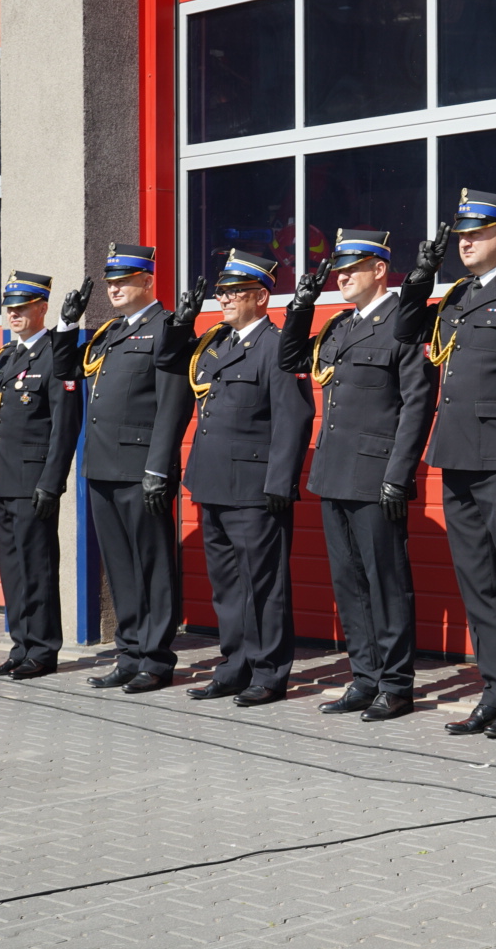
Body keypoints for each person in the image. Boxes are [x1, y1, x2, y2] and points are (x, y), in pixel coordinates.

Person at [393, 189, 496, 739]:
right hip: (457, 455)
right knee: (478, 583)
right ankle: (495, 687)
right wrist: (421, 277)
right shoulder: (460, 295)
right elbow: (405, 331)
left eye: (476, 234)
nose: (464, 243)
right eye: (461, 237)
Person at [278, 230, 437, 722]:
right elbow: (291, 359)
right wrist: (300, 308)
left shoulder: (403, 322)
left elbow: (417, 404)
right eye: (339, 269)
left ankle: (396, 685)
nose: (341, 276)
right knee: (349, 583)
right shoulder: (340, 326)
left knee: (386, 582)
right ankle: (364, 677)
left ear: (380, 270)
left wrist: (398, 474)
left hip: (375, 473)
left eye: (352, 268)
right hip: (333, 472)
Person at [180, 250, 316, 707]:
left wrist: (280, 482)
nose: (223, 298)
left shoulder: (277, 347)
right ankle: (234, 667)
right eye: (222, 291)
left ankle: (268, 672)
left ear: (261, 297)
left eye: (234, 292)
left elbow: (294, 417)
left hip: (256, 490)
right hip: (214, 483)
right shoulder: (218, 343)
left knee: (264, 586)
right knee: (227, 587)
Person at [75, 244, 200, 694]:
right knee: (120, 568)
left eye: (124, 280)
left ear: (148, 281)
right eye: (111, 282)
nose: (114, 288)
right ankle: (128, 654)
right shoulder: (111, 332)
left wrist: (159, 469)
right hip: (103, 466)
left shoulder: (166, 327)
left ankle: (156, 659)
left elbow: (173, 404)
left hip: (141, 468)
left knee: (152, 566)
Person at [0, 272, 82, 680]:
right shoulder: (7, 355)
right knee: (13, 569)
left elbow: (64, 427)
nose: (14, 313)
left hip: (33, 482)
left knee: (37, 568)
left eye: (22, 307)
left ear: (42, 308)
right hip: (2, 479)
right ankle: (21, 646)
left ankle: (42, 651)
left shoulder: (55, 354)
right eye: (10, 307)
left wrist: (52, 483)